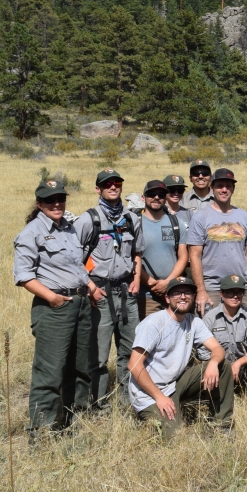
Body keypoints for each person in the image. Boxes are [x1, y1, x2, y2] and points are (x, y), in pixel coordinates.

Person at [14, 179, 95, 434]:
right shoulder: (31, 232)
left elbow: (76, 265)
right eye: (50, 200)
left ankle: (74, 421)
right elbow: (24, 276)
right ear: (39, 204)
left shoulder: (68, 228)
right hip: (54, 308)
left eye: (61, 198)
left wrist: (90, 285)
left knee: (80, 366)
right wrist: (53, 298)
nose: (57, 204)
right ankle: (42, 430)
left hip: (80, 304)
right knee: (49, 372)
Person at [127, 275, 233, 438]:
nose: (183, 296)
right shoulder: (154, 323)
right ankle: (149, 415)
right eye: (177, 293)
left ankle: (222, 425)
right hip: (150, 393)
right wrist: (160, 397)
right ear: (167, 298)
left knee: (222, 364)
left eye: (187, 292)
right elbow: (134, 365)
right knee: (175, 437)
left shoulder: (193, 321)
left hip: (175, 384)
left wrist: (212, 363)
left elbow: (217, 349)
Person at [74, 168, 146, 408]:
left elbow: (137, 252)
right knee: (99, 355)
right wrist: (91, 287)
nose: (113, 187)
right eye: (107, 184)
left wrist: (136, 279)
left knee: (130, 350)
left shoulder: (132, 219)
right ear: (98, 189)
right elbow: (74, 260)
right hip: (100, 295)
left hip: (127, 293)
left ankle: (129, 401)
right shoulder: (89, 219)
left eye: (116, 183)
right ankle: (99, 404)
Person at [186, 168, 247, 314]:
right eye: (219, 186)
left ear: (233, 188)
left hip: (240, 287)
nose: (224, 190)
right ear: (211, 188)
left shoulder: (244, 216)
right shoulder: (200, 217)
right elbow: (194, 255)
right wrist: (201, 290)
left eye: (228, 186)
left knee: (245, 332)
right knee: (211, 334)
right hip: (212, 288)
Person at [198, 274, 247, 393]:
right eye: (230, 292)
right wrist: (215, 366)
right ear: (221, 294)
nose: (235, 296)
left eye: (239, 292)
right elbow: (202, 354)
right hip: (219, 367)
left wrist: (238, 363)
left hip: (242, 366)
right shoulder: (210, 318)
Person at [137, 180, 188, 318]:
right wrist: (152, 284)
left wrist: (167, 283)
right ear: (143, 197)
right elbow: (130, 259)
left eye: (161, 194)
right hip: (146, 295)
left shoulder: (176, 223)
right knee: (151, 337)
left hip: (174, 293)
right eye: (151, 194)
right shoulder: (136, 224)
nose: (156, 197)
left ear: (166, 198)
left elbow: (183, 257)